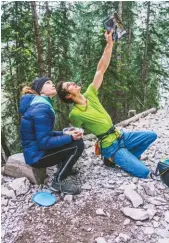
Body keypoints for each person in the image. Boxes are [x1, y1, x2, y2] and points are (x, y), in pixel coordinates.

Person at [56, 30, 157, 178]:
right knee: (144, 173)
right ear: (68, 95)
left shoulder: (90, 93)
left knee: (151, 135)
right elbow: (74, 133)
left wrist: (109, 44)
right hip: (109, 146)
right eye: (69, 85)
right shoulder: (75, 114)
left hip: (120, 135)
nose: (73, 83)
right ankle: (111, 158)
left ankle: (123, 158)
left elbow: (100, 69)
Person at [19, 76, 84, 195]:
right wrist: (70, 137)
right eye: (48, 83)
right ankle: (58, 181)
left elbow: (45, 134)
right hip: (37, 157)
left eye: (52, 82)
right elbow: (44, 142)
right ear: (40, 90)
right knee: (77, 144)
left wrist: (65, 133)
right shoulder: (41, 108)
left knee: (70, 140)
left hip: (35, 152)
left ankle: (64, 167)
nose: (53, 84)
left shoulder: (39, 104)